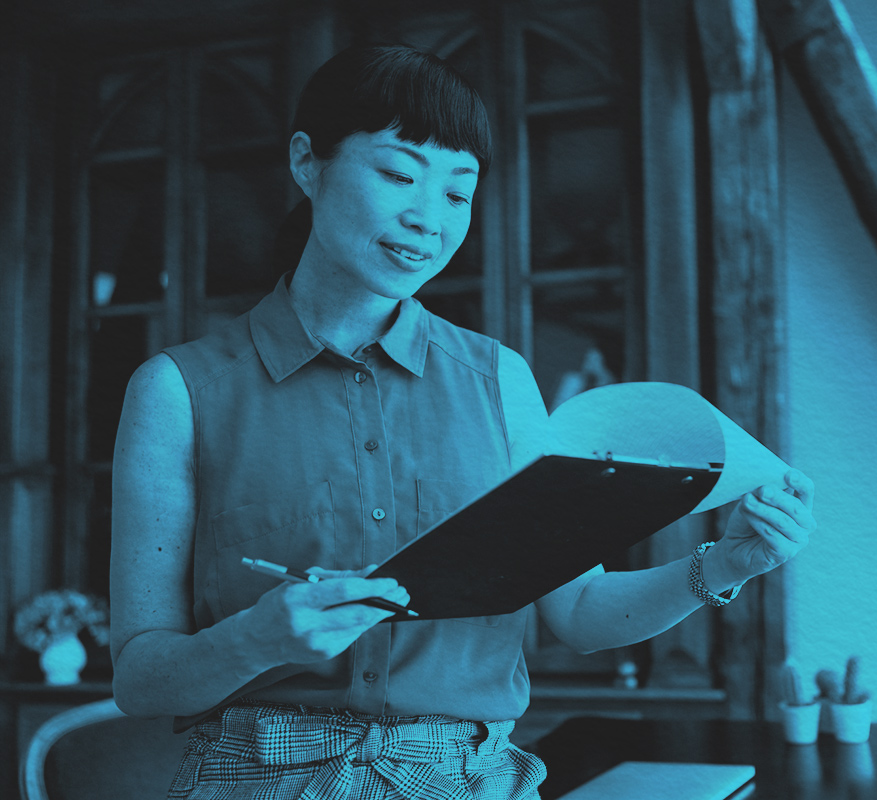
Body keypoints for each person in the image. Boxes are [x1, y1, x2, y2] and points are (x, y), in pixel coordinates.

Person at [109, 44, 816, 800]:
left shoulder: (500, 380)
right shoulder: (176, 391)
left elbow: (576, 610)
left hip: (470, 782)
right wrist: (254, 639)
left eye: (458, 193)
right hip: (257, 779)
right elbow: (141, 679)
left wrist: (729, 564)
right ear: (307, 163)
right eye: (398, 175)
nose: (428, 220)